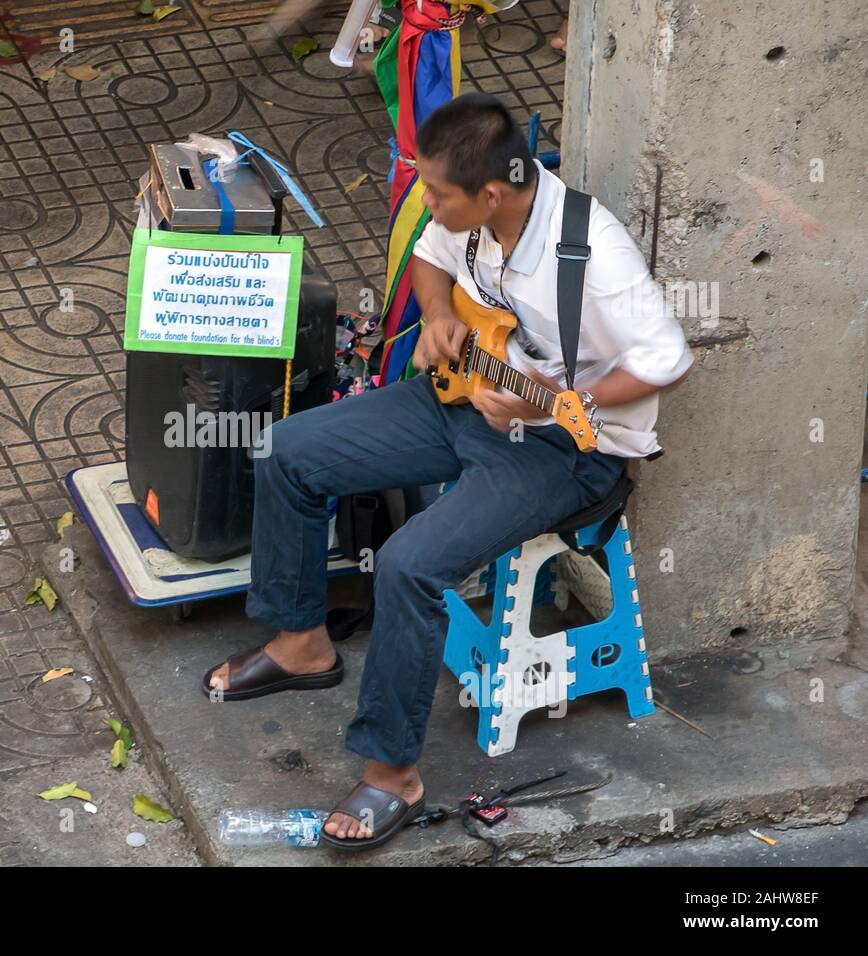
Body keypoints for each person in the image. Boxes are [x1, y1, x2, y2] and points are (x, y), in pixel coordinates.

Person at [201, 92, 693, 851]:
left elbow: (668, 361)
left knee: (410, 564)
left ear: (491, 192)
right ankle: (302, 643)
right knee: (291, 451)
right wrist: (438, 318)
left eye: (436, 192)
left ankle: (393, 773)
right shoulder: (474, 219)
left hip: (568, 448)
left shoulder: (593, 255)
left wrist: (556, 406)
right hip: (466, 400)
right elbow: (432, 258)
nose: (425, 202)